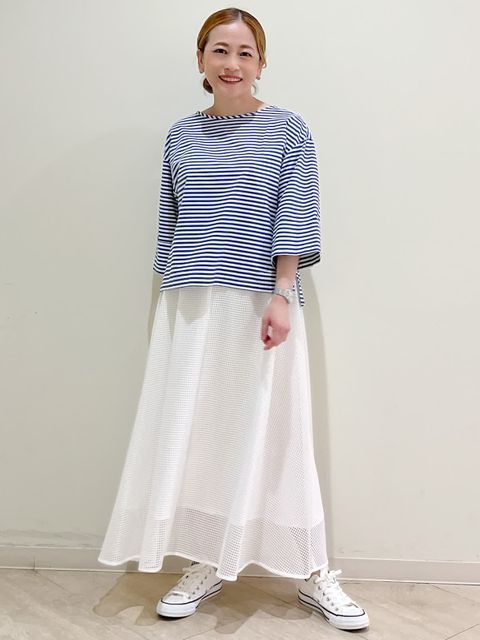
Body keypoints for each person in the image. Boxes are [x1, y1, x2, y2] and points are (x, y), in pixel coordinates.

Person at [97, 6, 369, 633]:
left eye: (245, 52)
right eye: (219, 50)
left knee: (279, 433)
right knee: (199, 436)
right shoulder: (181, 134)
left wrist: (282, 294)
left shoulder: (288, 128)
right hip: (192, 306)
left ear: (262, 63)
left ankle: (312, 570)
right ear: (200, 60)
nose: (232, 63)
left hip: (258, 302)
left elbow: (296, 212)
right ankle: (207, 561)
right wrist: (170, 310)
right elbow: (172, 221)